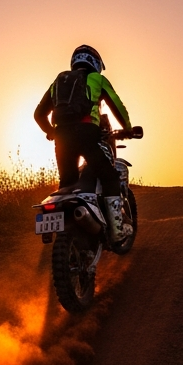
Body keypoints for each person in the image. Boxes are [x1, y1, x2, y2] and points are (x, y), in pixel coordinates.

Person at [33, 44, 134, 241]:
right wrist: (128, 128)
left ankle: (71, 235)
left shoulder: (58, 82)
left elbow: (38, 114)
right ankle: (117, 231)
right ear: (95, 63)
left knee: (68, 184)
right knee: (110, 177)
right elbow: (117, 105)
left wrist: (51, 132)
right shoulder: (98, 79)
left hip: (62, 139)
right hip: (88, 134)